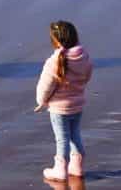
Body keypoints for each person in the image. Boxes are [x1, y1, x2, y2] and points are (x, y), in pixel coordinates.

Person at [35, 20, 94, 180]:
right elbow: (87, 76)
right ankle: (77, 167)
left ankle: (60, 170)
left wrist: (41, 101)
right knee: (75, 134)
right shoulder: (84, 57)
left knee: (62, 138)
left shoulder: (54, 62)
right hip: (77, 104)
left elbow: (45, 87)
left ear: (56, 41)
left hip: (59, 109)